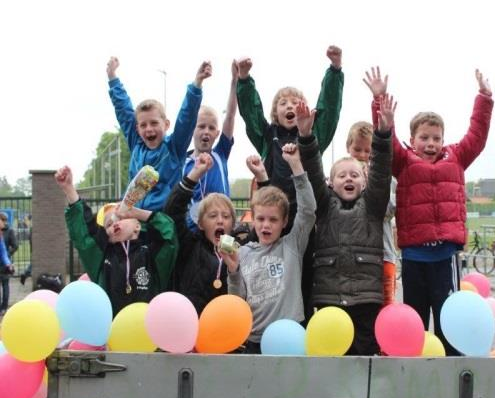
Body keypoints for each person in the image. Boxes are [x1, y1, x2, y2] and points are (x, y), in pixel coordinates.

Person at [365, 67, 494, 356]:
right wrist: (379, 100)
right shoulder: (404, 161)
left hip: (444, 257)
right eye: (424, 137)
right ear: (413, 140)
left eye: (436, 138)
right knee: (416, 318)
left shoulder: (457, 157)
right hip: (414, 258)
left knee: (448, 319)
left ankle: (450, 365)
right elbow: (385, 138)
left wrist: (484, 97)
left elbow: (477, 135)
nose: (431, 143)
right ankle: (415, 365)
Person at [235, 46, 343, 322]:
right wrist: (245, 81)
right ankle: (265, 323)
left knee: (302, 276)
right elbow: (250, 113)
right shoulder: (267, 136)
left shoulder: (312, 136)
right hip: (273, 219)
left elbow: (329, 111)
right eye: (283, 103)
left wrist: (334, 72)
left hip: (302, 220)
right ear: (275, 112)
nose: (290, 106)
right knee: (269, 278)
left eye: (296, 102)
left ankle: (302, 324)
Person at [296, 95, 394, 355]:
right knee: (332, 358)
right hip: (329, 298)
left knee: (363, 356)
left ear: (363, 182)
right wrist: (305, 136)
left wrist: (383, 134)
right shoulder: (324, 205)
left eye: (354, 175)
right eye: (341, 175)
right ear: (331, 182)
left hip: (366, 299)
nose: (348, 179)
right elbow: (313, 171)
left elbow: (382, 173)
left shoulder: (373, 206)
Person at [225, 147, 316, 353]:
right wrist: (233, 272)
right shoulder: (243, 252)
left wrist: (296, 165)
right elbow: (237, 302)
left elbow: (308, 211)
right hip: (254, 340)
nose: (266, 225)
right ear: (253, 219)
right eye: (261, 219)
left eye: (273, 219)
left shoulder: (292, 245)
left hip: (289, 337)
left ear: (284, 222)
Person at [55, 166, 178, 316]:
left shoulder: (151, 254)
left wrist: (137, 212)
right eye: (109, 224)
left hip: (148, 331)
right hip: (113, 333)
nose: (115, 223)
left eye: (123, 218)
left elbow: (169, 234)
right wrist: (69, 189)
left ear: (137, 226)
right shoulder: (101, 257)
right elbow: (83, 233)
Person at [106, 57, 211, 211]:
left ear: (166, 124)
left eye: (154, 123)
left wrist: (197, 84)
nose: (149, 129)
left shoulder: (174, 147)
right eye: (143, 125)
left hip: (164, 220)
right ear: (137, 129)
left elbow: (186, 118)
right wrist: (112, 78)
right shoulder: (137, 144)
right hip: (135, 218)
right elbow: (124, 111)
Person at [164, 153, 236, 314]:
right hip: (191, 325)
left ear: (232, 223)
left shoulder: (239, 250)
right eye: (212, 216)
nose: (220, 221)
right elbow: (172, 211)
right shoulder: (190, 244)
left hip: (225, 327)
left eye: (226, 216)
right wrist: (196, 174)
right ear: (201, 224)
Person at [345, 120, 398, 306]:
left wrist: (373, 187)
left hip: (384, 254)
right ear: (348, 148)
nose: (362, 155)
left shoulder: (387, 178)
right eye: (357, 149)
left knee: (386, 307)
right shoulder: (341, 178)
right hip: (354, 255)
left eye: (368, 151)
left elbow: (390, 212)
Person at [182, 61, 238, 231]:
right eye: (201, 126)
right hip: (194, 232)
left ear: (217, 133)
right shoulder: (182, 163)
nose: (206, 131)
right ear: (192, 129)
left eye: (211, 128)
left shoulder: (220, 154)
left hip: (221, 230)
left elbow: (230, 116)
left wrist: (234, 81)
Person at [0, 233, 14, 316]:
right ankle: (3, 308)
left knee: (5, 285)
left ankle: (3, 308)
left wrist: (8, 264)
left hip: (3, 266)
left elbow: (3, 253)